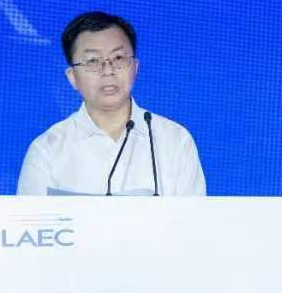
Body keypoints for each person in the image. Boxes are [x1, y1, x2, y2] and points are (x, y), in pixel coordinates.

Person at [16, 11, 206, 196]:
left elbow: (194, 217)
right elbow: (31, 217)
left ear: (135, 68)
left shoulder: (174, 140)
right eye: (92, 61)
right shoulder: (47, 150)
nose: (108, 70)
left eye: (118, 58)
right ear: (72, 77)